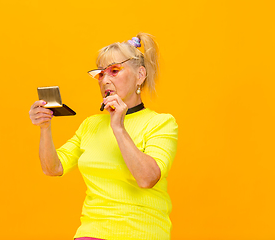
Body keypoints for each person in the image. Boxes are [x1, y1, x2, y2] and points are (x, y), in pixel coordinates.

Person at [29, 33, 178, 240]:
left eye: (114, 71)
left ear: (140, 75)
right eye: (101, 74)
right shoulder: (91, 125)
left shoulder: (161, 123)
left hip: (142, 233)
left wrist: (118, 127)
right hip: (92, 234)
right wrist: (44, 128)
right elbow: (53, 168)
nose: (105, 80)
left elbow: (146, 178)